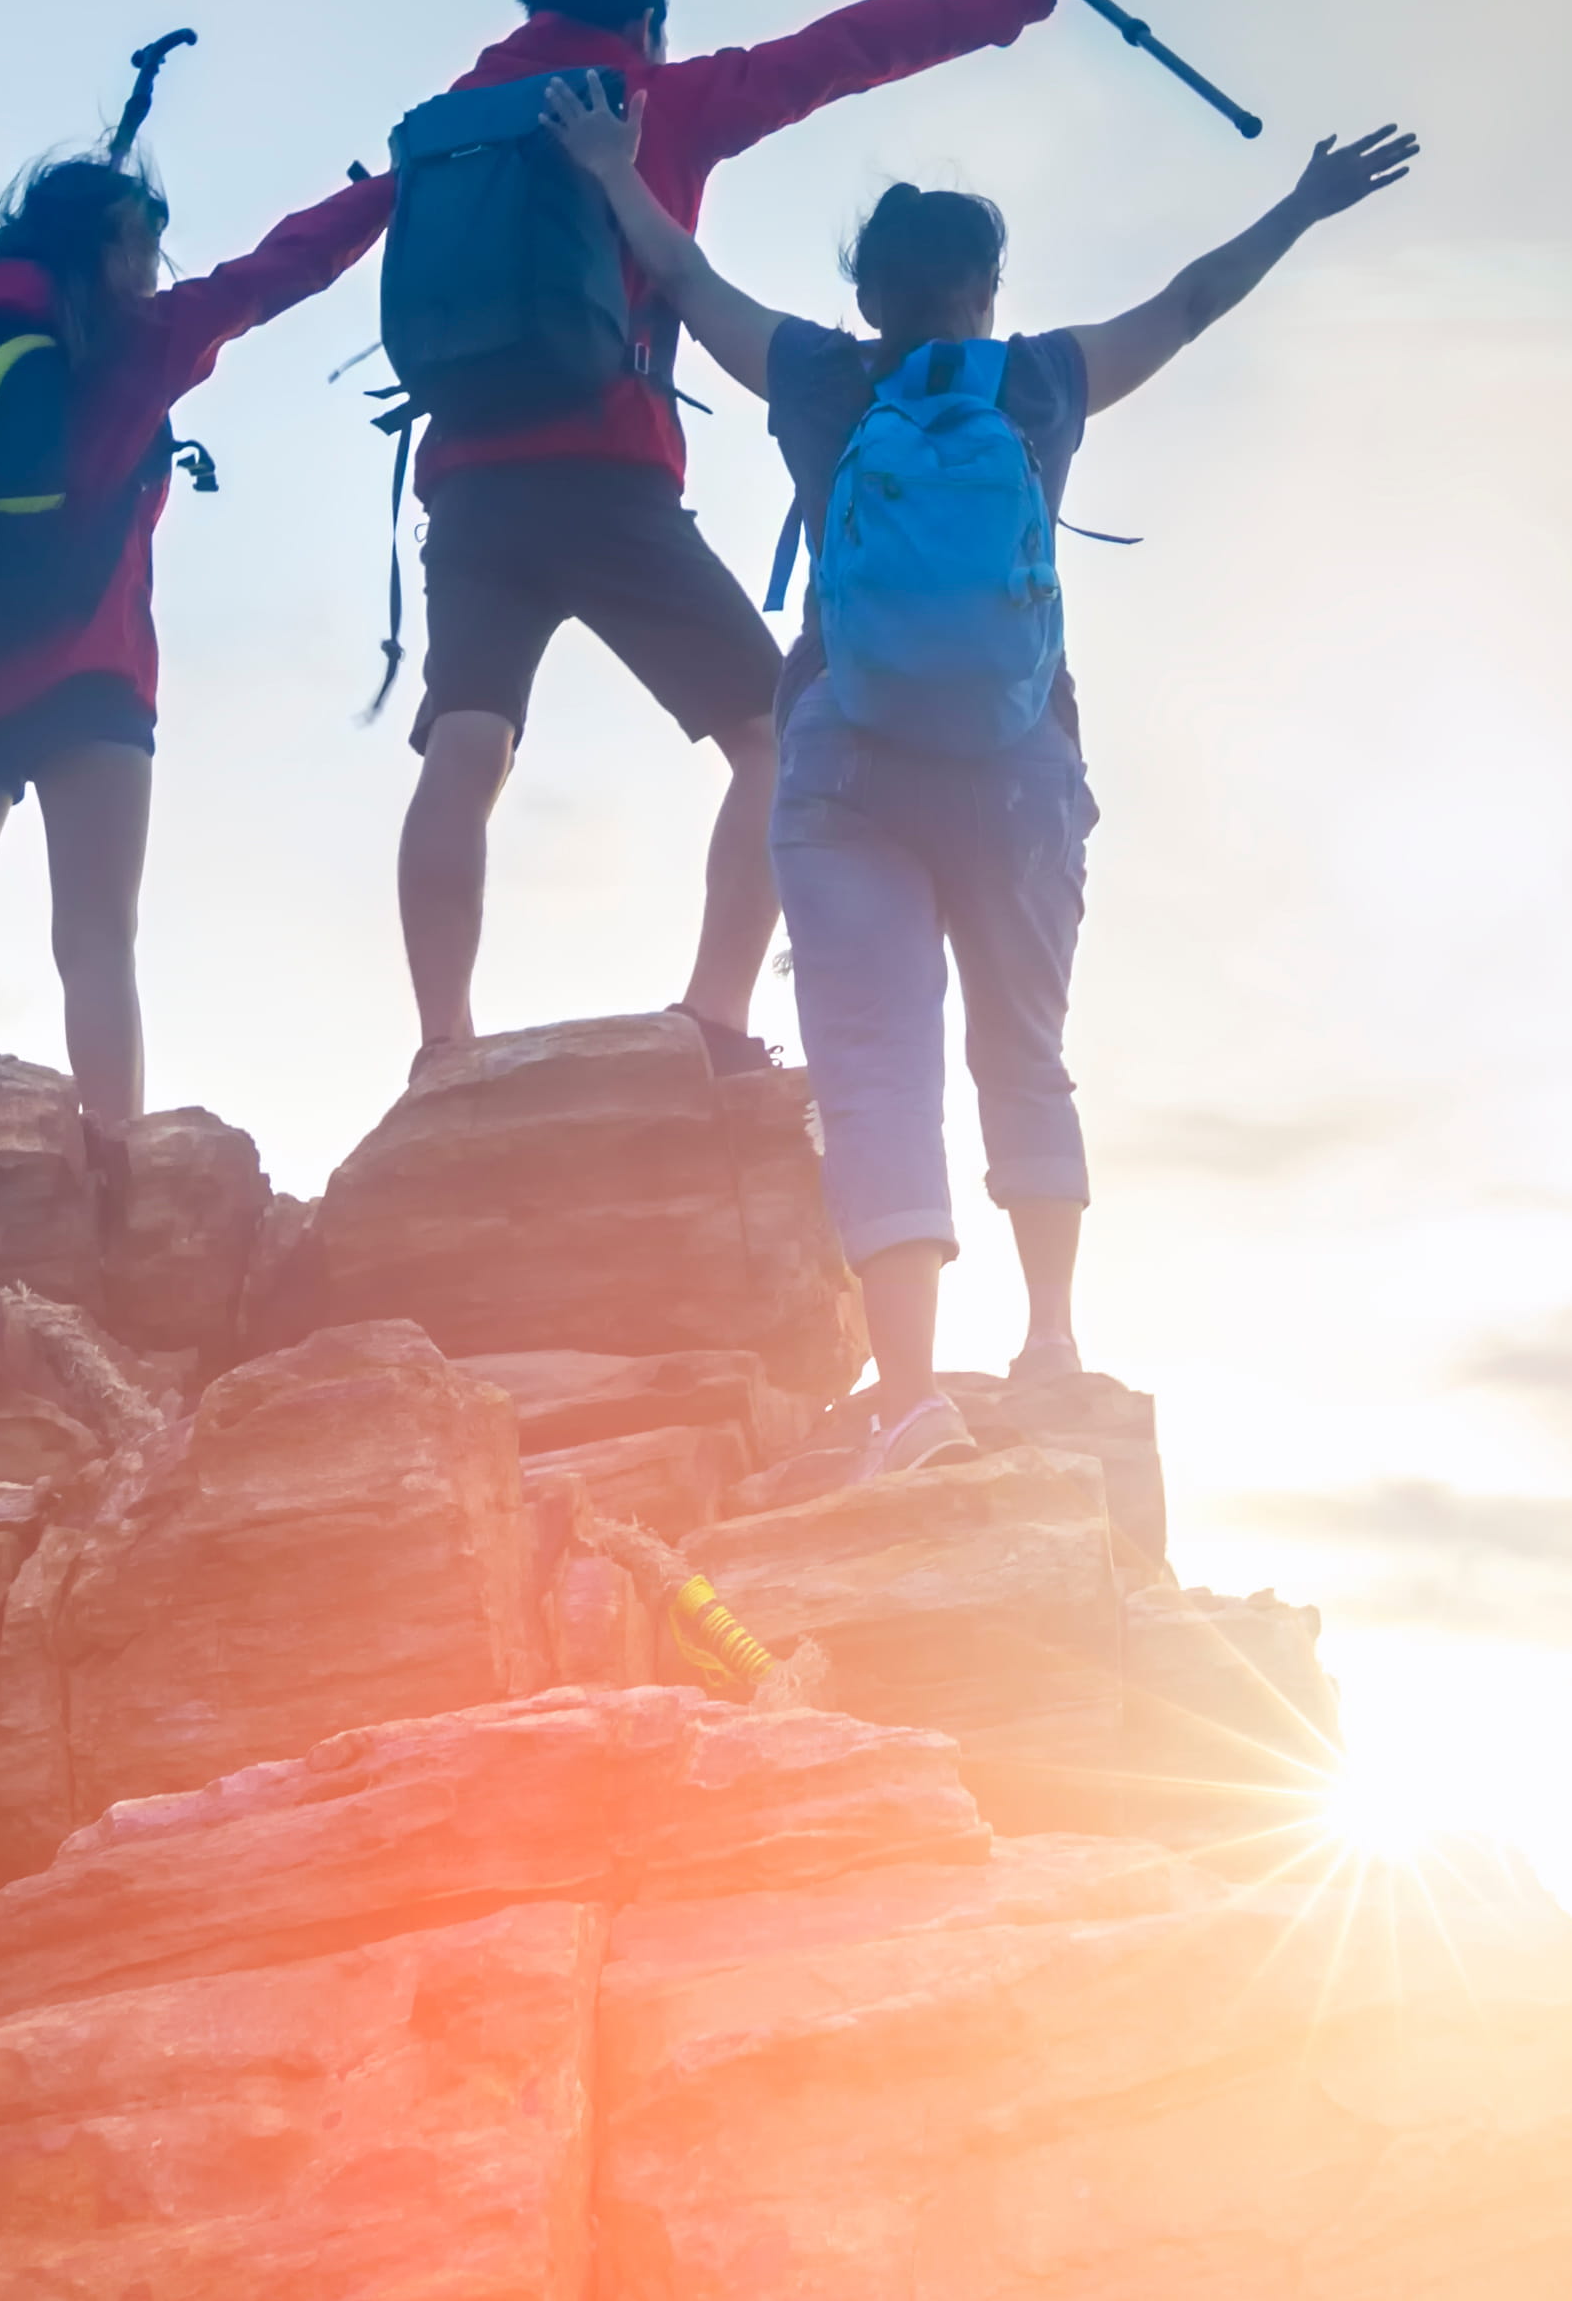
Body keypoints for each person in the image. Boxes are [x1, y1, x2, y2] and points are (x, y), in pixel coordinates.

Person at [548, 81, 1422, 1441]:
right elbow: (1190, 303)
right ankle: (1054, 1348)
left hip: (842, 763)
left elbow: (680, 269)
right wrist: (1302, 206)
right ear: (987, 284)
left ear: (870, 286)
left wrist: (608, 163)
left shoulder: (815, 374)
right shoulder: (1042, 381)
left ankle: (908, 1397)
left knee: (875, 1061)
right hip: (1018, 761)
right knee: (1024, 1052)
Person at [396, 0, 1082, 1076]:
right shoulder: (655, 100)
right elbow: (848, 48)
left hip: (467, 483)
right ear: (646, 18)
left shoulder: (449, 129)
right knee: (773, 734)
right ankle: (711, 1021)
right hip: (609, 477)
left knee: (465, 746)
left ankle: (438, 1046)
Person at [0, 138, 396, 1194]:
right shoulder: (136, 347)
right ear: (107, 249)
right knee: (94, 936)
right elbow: (278, 269)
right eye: (143, 245)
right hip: (86, 679)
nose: (155, 266)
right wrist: (395, 182)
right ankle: (117, 1168)